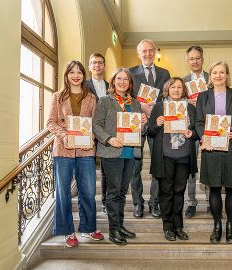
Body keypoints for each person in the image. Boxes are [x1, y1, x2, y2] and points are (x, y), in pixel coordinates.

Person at [47, 60, 104, 248]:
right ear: (67, 75)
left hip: (86, 150)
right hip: (63, 150)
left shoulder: (91, 98)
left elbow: (96, 125)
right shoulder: (57, 97)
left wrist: (93, 137)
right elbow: (50, 122)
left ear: (83, 76)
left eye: (79, 72)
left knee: (87, 191)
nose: (76, 75)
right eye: (72, 72)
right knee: (63, 192)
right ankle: (67, 231)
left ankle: (88, 228)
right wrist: (64, 135)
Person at [195, 61, 232, 244]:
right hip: (211, 149)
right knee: (215, 188)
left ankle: (230, 226)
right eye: (215, 73)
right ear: (210, 76)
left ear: (227, 76)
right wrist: (204, 137)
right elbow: (198, 122)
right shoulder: (203, 97)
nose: (218, 76)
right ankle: (217, 225)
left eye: (222, 72)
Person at [93, 67, 147, 246]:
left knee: (123, 193)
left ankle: (120, 226)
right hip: (112, 152)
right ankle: (113, 230)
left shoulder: (136, 103)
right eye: (119, 79)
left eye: (126, 79)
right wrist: (109, 139)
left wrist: (143, 123)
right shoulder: (104, 101)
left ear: (130, 83)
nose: (122, 82)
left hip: (130, 153)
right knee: (113, 193)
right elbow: (96, 126)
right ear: (113, 82)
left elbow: (140, 130)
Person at [148, 77, 198, 241]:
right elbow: (150, 132)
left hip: (184, 156)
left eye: (179, 87)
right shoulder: (159, 107)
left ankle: (178, 226)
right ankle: (168, 227)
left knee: (179, 192)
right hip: (165, 157)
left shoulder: (190, 108)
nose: (176, 90)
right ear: (167, 90)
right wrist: (157, 123)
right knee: (166, 192)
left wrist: (192, 134)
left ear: (183, 90)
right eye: (173, 87)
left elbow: (197, 131)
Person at [129, 39, 171, 219]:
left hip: (158, 125)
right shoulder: (130, 73)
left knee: (158, 166)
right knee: (134, 167)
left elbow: (168, 96)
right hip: (136, 125)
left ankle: (155, 203)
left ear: (155, 52)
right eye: (144, 51)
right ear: (139, 54)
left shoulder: (164, 73)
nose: (147, 54)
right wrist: (142, 108)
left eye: (150, 51)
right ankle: (138, 203)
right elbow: (126, 96)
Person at [182, 45, 210, 218]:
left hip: (209, 129)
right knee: (190, 168)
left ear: (202, 59)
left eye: (197, 58)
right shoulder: (182, 81)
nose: (195, 61)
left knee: (209, 166)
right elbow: (174, 101)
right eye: (191, 58)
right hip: (190, 129)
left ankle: (210, 201)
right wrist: (187, 102)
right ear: (188, 61)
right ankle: (191, 202)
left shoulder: (211, 77)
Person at [86, 52, 109, 214]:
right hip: (88, 133)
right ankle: (88, 201)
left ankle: (105, 201)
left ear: (104, 66)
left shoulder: (111, 86)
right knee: (88, 170)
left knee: (107, 170)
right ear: (89, 67)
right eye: (94, 62)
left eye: (100, 63)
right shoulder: (84, 85)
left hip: (107, 132)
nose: (97, 65)